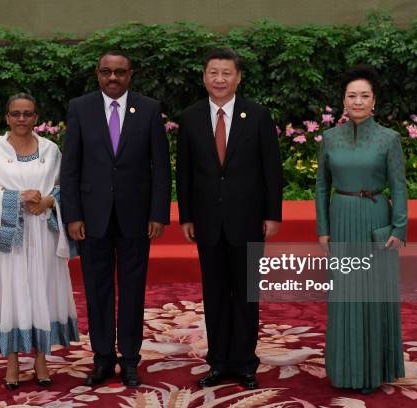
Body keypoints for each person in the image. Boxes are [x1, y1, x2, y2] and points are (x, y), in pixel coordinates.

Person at [60, 51, 171, 387]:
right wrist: (73, 214)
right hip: (92, 218)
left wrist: (158, 213)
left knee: (133, 290)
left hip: (136, 218)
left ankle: (131, 359)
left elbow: (161, 168)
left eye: (119, 72)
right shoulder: (80, 108)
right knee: (97, 290)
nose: (113, 78)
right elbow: (71, 167)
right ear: (97, 74)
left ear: (130, 74)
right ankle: (103, 358)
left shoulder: (149, 109)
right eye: (106, 72)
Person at [176, 48, 283, 389]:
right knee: (216, 293)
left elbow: (272, 169)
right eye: (213, 73)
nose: (219, 79)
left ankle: (245, 363)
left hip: (249, 220)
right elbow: (186, 173)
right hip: (207, 221)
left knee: (247, 293)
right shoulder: (190, 117)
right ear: (204, 77)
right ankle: (219, 362)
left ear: (238, 77)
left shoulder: (258, 115)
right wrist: (187, 216)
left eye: (226, 73)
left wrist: (272, 213)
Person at [0, 93, 79, 390]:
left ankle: (42, 357)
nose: (21, 119)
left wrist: (49, 201)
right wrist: (16, 198)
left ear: (36, 117)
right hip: (9, 237)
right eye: (16, 114)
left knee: (43, 290)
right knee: (12, 293)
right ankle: (13, 360)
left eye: (27, 114)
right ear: (6, 117)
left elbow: (65, 186)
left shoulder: (51, 149)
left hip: (43, 232)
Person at [315, 65, 407, 393]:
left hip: (376, 222)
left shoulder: (389, 139)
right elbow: (321, 187)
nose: (357, 101)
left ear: (374, 101)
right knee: (344, 295)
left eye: (364, 96)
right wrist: (323, 229)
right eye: (352, 95)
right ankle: (345, 370)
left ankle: (376, 369)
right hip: (340, 219)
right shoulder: (329, 138)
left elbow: (399, 186)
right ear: (343, 101)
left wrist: (400, 227)